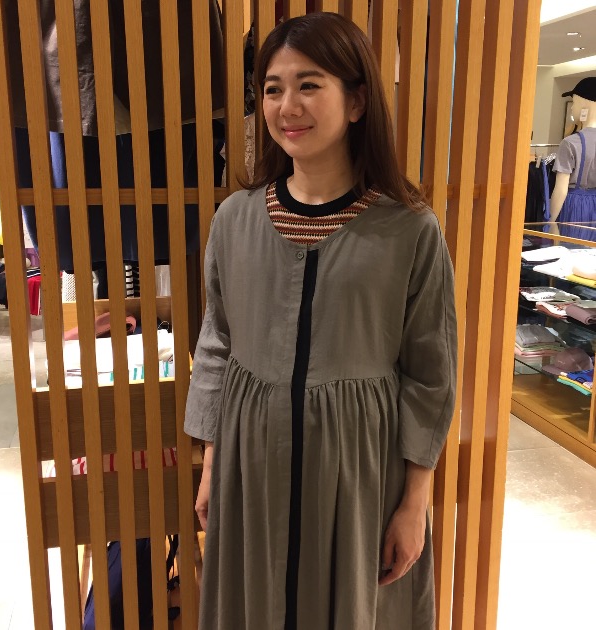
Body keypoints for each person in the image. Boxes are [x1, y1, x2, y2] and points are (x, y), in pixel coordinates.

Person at [185, 12, 457, 630]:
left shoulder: (408, 227)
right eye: (272, 89)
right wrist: (212, 463)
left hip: (361, 471)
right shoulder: (235, 219)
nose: (288, 106)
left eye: (309, 85)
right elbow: (217, 344)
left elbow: (431, 373)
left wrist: (415, 503)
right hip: (252, 463)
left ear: (356, 101)